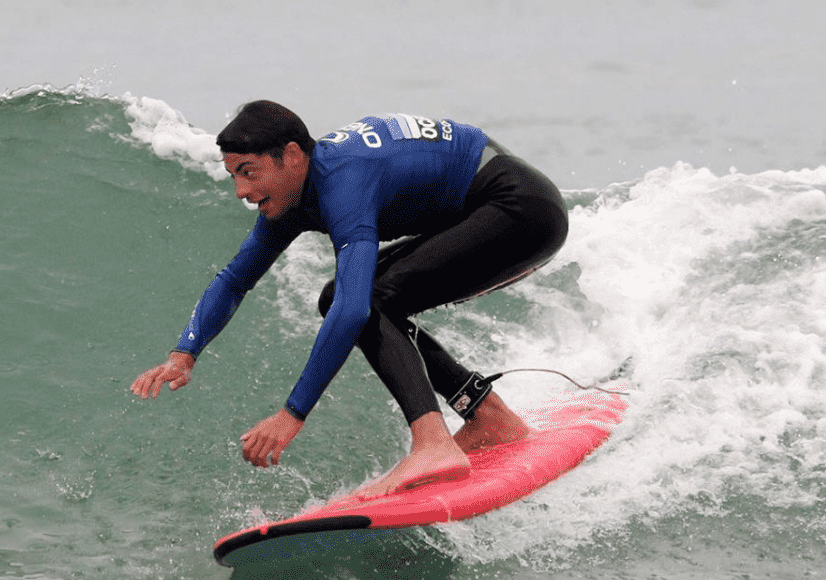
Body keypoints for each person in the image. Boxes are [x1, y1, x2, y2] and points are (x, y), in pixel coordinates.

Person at [130, 100, 568, 500]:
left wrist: (291, 415)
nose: (241, 191)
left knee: (368, 301)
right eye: (234, 176)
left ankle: (434, 443)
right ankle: (488, 416)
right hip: (484, 210)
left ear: (293, 157)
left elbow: (356, 310)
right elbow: (235, 278)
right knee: (340, 296)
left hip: (521, 210)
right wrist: (184, 353)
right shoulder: (291, 196)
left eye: (248, 172)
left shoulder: (344, 181)